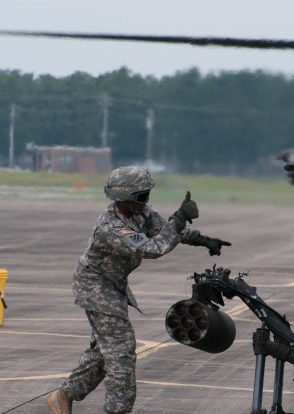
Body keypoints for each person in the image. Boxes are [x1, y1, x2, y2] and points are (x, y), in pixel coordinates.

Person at [46, 166, 231, 414]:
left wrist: (201, 239)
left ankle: (63, 395)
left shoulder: (139, 212)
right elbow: (151, 248)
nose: (146, 201)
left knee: (104, 350)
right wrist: (179, 218)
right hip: (95, 286)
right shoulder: (110, 228)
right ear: (126, 198)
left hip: (113, 285)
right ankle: (117, 410)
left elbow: (163, 229)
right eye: (142, 196)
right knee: (121, 350)